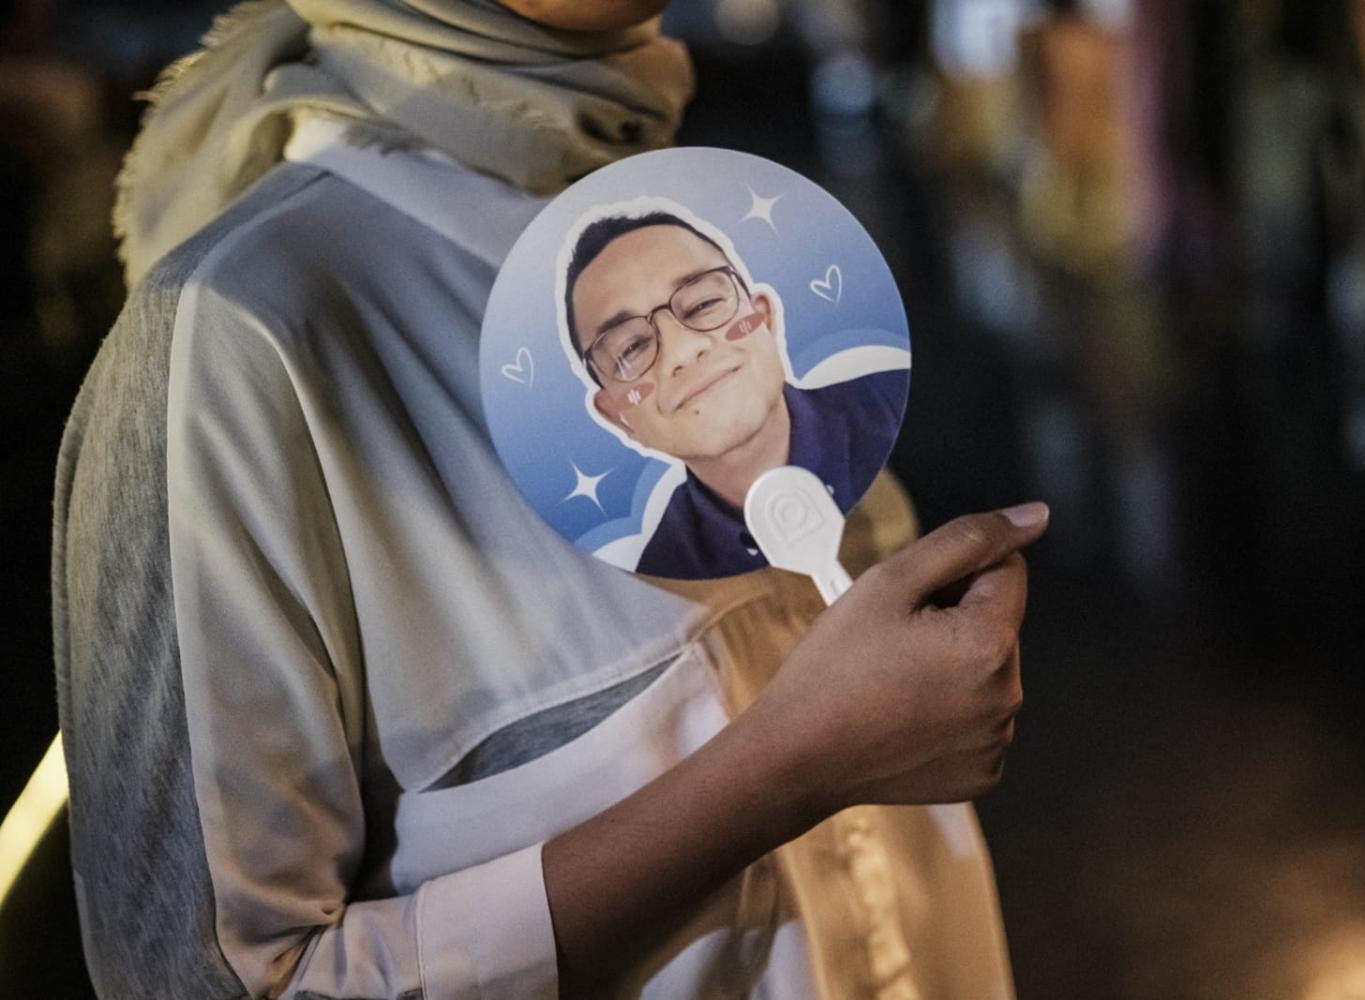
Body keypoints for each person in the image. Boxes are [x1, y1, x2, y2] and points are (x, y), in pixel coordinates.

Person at [52, 0, 1047, 997]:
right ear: (617, 407)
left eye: (704, 309)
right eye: (635, 348)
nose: (688, 344)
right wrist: (790, 768)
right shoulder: (241, 331)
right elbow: (205, 979)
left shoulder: (681, 201)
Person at [563, 209, 906, 577]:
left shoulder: (907, 405)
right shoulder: (662, 584)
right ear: (618, 416)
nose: (683, 350)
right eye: (631, 349)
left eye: (702, 304)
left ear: (766, 319)